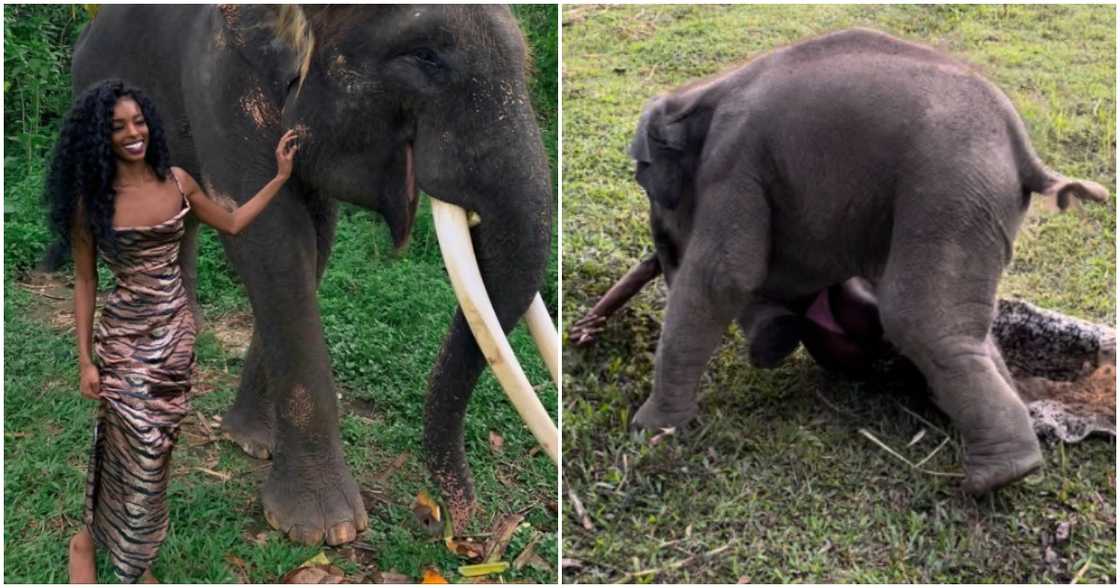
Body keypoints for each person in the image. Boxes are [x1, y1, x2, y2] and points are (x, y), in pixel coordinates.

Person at [44, 79, 297, 583]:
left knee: (156, 455)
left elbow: (232, 223)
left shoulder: (179, 182)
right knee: (126, 445)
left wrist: (279, 177)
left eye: (138, 121)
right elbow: (86, 281)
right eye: (118, 127)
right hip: (124, 342)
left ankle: (131, 556)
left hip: (175, 342)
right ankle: (90, 543)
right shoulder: (90, 203)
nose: (132, 133)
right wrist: (85, 358)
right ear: (100, 136)